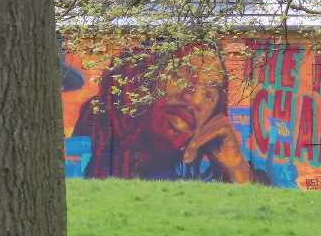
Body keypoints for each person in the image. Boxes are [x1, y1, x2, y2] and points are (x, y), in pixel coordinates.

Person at [74, 41, 257, 183]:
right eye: (180, 76)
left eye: (209, 94)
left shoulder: (195, 178)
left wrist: (237, 168)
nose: (194, 101)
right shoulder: (89, 145)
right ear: (139, 80)